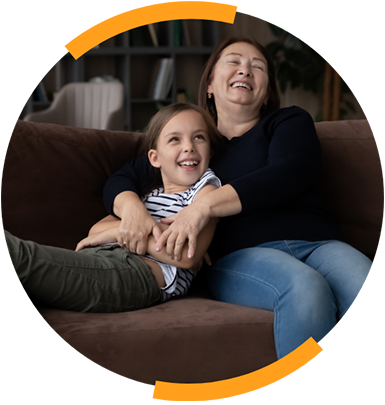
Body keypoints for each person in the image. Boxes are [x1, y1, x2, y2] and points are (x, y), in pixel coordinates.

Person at [102, 37, 372, 359]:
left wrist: (202, 207)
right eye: (233, 61)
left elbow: (288, 172)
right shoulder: (196, 145)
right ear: (210, 84)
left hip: (318, 243)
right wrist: (133, 211)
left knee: (371, 289)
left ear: (267, 91)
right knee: (305, 287)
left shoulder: (288, 122)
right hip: (241, 255)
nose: (245, 70)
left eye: (257, 66)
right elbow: (121, 179)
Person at [3, 103, 222, 313]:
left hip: (136, 273)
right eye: (175, 139)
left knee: (17, 254)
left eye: (199, 137)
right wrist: (130, 229)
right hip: (103, 257)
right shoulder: (149, 195)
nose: (189, 146)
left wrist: (120, 232)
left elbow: (186, 256)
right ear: (155, 158)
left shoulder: (207, 193)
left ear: (210, 151)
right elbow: (95, 231)